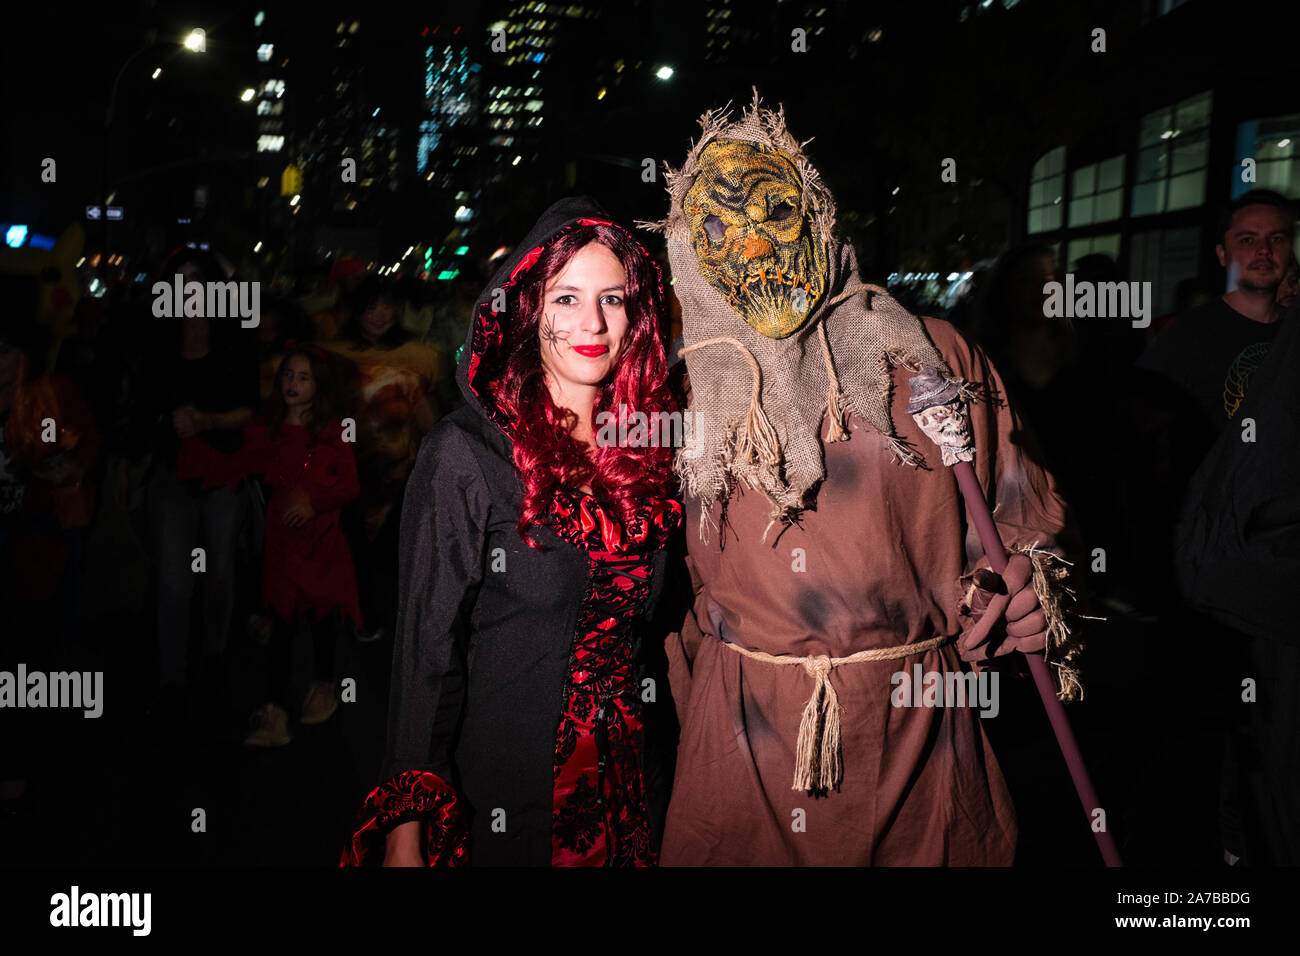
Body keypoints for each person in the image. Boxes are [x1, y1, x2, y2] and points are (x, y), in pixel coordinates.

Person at [645, 94, 1083, 865]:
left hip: (914, 725)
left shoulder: (931, 356)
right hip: (744, 734)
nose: (749, 250)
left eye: (775, 212)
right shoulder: (675, 392)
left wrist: (1023, 588)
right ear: (688, 252)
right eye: (715, 229)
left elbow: (1021, 519)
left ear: (820, 218)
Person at [340, 198, 683, 866]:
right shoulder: (466, 455)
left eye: (613, 299)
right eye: (566, 299)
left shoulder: (649, 452)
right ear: (527, 308)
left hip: (636, 789)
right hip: (510, 798)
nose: (593, 322)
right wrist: (407, 828)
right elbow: (424, 653)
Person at [136, 246, 259, 711]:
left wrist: (206, 420)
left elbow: (251, 409)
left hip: (223, 473)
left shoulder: (235, 337)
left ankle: (214, 655)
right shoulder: (157, 339)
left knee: (219, 570)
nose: (189, 290)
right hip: (172, 475)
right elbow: (142, 407)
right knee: (173, 578)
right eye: (179, 281)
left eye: (197, 280)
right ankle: (171, 677)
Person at [240, 344, 362, 746]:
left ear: (319, 386)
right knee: (282, 629)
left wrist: (314, 502)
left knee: (322, 625)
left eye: (303, 377)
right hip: (281, 551)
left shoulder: (334, 429)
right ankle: (275, 712)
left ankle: (322, 687)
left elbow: (349, 484)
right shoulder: (269, 427)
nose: (292, 384)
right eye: (288, 376)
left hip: (321, 549)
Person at [325, 276, 440, 644]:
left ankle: (395, 632)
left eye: (387, 306)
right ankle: (361, 618)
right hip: (347, 470)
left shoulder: (418, 356)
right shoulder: (334, 355)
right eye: (371, 305)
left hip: (399, 473)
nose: (379, 314)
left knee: (393, 556)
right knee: (353, 551)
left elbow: (430, 422)